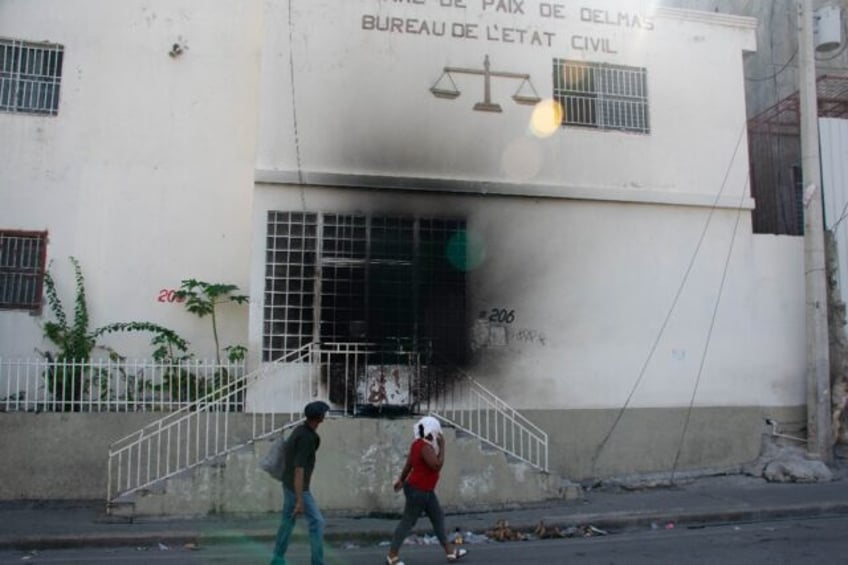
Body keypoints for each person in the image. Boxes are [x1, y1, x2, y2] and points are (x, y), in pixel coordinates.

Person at [386, 415, 468, 565]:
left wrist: (401, 480)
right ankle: (392, 556)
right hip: (418, 491)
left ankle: (450, 552)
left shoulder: (418, 444)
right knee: (407, 522)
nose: (437, 435)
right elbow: (436, 465)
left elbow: (408, 465)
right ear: (432, 431)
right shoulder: (425, 447)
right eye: (436, 432)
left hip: (425, 490)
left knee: (438, 518)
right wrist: (443, 447)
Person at [271, 400, 330, 565]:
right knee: (317, 522)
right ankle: (317, 562)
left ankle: (277, 558)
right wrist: (299, 500)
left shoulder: (299, 430)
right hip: (298, 488)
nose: (325, 416)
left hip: (289, 484)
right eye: (323, 414)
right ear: (319, 417)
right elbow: (299, 469)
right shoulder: (307, 438)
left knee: (287, 523)